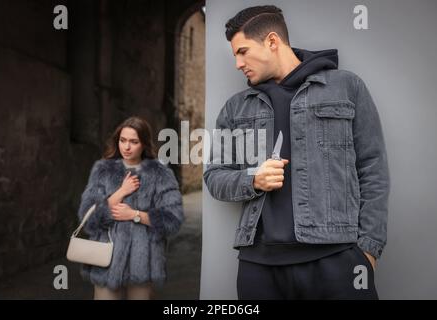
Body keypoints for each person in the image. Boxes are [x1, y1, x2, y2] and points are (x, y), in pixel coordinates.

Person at [204, 5, 390, 299]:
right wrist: (253, 179)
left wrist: (368, 249)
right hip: (259, 267)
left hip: (336, 259)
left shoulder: (346, 87)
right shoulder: (235, 108)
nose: (237, 63)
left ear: (272, 41)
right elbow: (214, 176)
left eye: (242, 51)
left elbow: (373, 168)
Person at [77, 116, 184, 300]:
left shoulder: (161, 174)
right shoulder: (103, 170)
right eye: (123, 140)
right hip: (107, 262)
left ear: (144, 144)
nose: (126, 147)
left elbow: (173, 219)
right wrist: (120, 192)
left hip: (143, 264)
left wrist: (135, 215)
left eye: (134, 142)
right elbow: (88, 218)